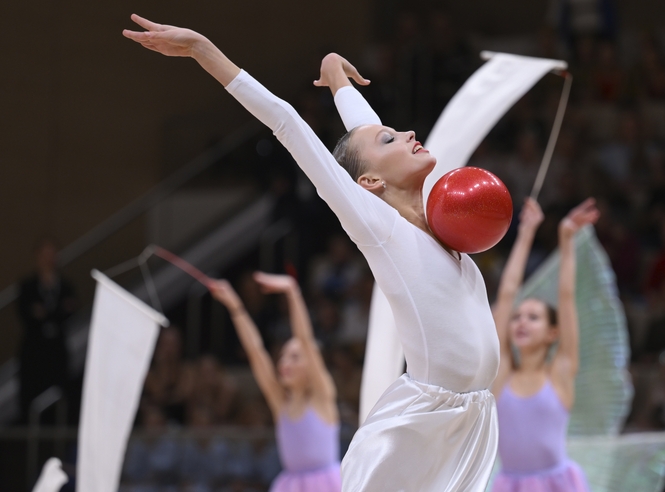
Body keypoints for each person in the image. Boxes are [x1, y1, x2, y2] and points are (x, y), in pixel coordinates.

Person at [124, 16, 500, 491]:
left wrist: (338, 79)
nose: (404, 133)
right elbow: (287, 122)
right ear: (369, 184)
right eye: (390, 139)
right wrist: (203, 51)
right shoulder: (378, 226)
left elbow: (364, 131)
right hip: (423, 427)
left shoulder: (441, 223)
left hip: (475, 418)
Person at [489, 197, 597, 491]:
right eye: (517, 318)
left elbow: (566, 297)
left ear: (553, 332)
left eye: (533, 317)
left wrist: (565, 238)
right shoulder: (502, 375)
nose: (521, 322)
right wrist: (526, 234)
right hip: (510, 485)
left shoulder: (560, 371)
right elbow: (508, 293)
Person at [209, 273, 341, 491]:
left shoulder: (322, 395)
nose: (284, 362)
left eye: (294, 357)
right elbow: (255, 351)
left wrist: (292, 292)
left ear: (312, 366)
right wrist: (235, 307)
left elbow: (305, 339)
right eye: (283, 356)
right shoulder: (281, 403)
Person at [16, 238, 77, 423]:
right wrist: (55, 312)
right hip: (34, 353)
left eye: (53, 254)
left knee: (61, 397)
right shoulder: (28, 286)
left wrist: (47, 313)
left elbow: (69, 311)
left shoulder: (65, 286)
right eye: (45, 254)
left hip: (57, 353)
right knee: (32, 398)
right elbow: (28, 315)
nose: (49, 259)